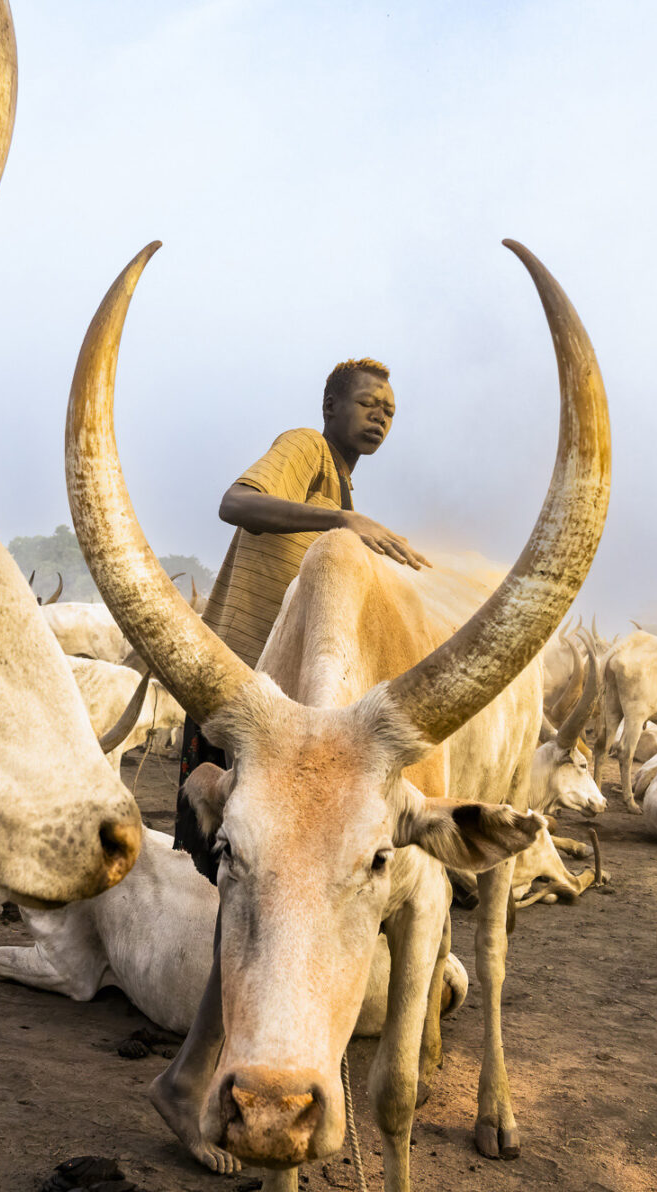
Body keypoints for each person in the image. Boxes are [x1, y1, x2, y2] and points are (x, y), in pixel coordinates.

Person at [153, 357, 427, 1173]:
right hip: (245, 711)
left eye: (390, 407)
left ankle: (222, 1063)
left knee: (268, 899)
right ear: (330, 407)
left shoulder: (337, 490)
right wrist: (345, 527)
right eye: (366, 403)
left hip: (288, 720)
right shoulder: (305, 450)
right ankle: (196, 1079)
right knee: (250, 895)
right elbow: (234, 501)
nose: (379, 416)